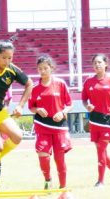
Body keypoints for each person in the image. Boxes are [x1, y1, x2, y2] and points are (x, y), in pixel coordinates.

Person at [0, 40, 33, 199]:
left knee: (17, 137)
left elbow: (29, 83)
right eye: (4, 57)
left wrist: (20, 105)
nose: (7, 61)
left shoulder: (12, 69)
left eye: (10, 57)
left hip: (0, 111)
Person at [82, 54, 110, 187]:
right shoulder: (88, 81)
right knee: (100, 150)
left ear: (105, 64)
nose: (97, 65)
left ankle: (100, 181)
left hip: (109, 119)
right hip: (94, 120)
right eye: (95, 63)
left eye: (100, 62)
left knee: (101, 148)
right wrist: (87, 106)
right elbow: (84, 99)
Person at [28, 55, 72, 190]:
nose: (42, 71)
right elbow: (31, 107)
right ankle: (47, 180)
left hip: (59, 127)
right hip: (42, 126)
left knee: (60, 159)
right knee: (43, 154)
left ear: (51, 68)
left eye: (45, 68)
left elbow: (69, 104)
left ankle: (63, 186)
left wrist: (63, 112)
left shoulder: (60, 84)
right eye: (40, 69)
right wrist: (38, 109)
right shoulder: (34, 88)